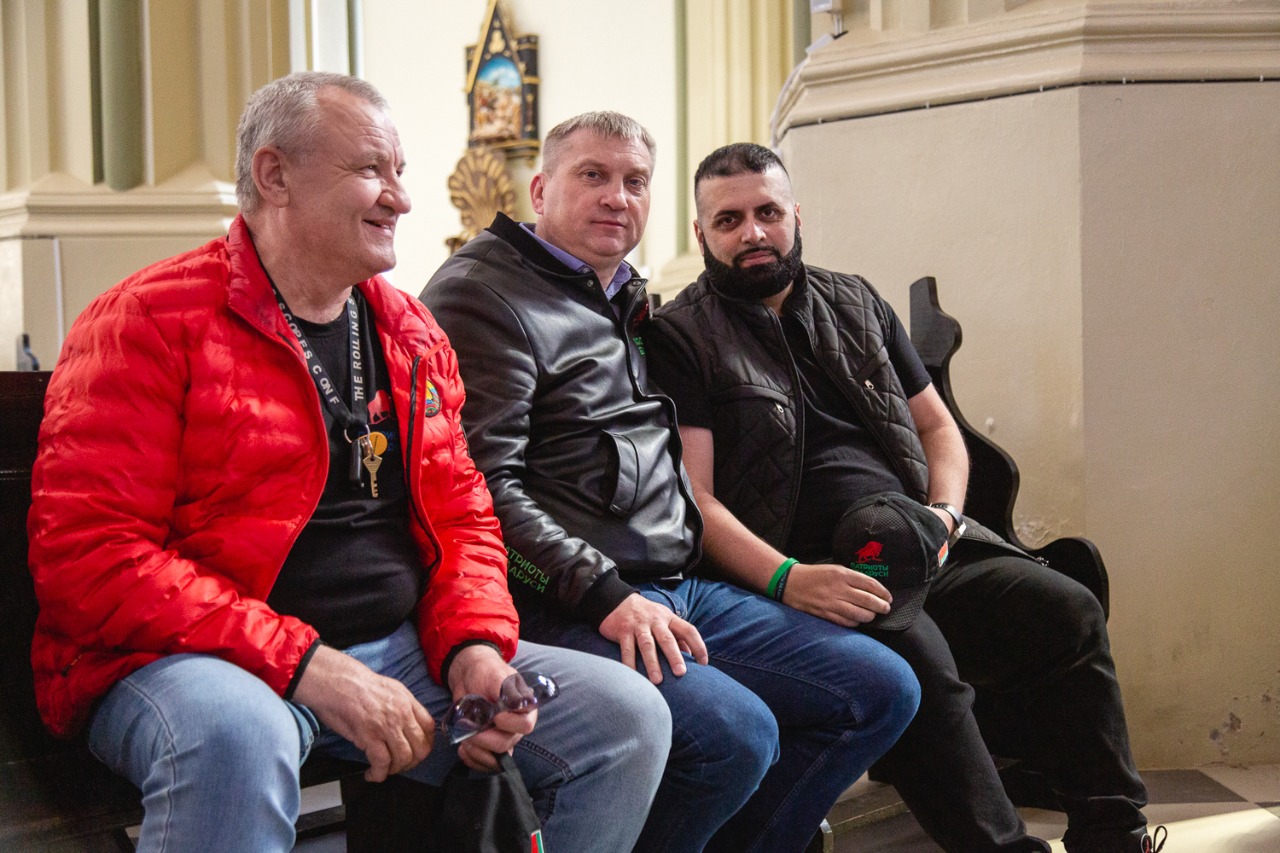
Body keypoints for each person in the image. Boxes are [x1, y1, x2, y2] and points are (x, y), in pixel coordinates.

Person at [26, 72, 671, 853]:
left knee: (625, 718)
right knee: (240, 735)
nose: (401, 198)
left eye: (400, 171)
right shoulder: (147, 320)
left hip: (392, 651)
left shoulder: (409, 332)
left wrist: (472, 644)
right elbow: (92, 556)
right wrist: (308, 666)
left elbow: (464, 518)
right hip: (184, 660)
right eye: (372, 169)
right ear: (274, 176)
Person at [422, 112, 920, 853]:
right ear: (541, 189)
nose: (616, 196)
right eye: (593, 175)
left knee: (881, 689)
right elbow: (483, 490)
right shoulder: (484, 295)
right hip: (568, 601)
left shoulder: (613, 289)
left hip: (676, 585)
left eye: (635, 181)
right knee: (736, 735)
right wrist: (604, 594)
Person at [646, 141, 1162, 853]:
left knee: (1065, 610)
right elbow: (695, 499)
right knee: (919, 663)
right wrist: (789, 578)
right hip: (811, 568)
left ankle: (1114, 836)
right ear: (702, 234)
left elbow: (937, 427)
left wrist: (944, 515)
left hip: (917, 540)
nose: (753, 233)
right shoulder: (680, 336)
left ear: (796, 215)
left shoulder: (856, 299)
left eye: (768, 212)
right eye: (728, 220)